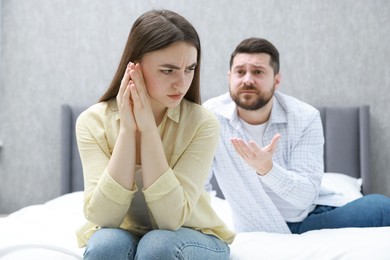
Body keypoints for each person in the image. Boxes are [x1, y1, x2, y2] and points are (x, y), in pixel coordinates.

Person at [75, 9, 235, 260]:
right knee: (105, 246)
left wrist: (148, 129)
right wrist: (128, 130)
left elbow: (170, 219)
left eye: (190, 69)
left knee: (157, 246)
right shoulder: (93, 122)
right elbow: (104, 218)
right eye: (168, 70)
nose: (182, 84)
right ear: (134, 68)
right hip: (125, 232)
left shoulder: (203, 123)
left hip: (191, 234)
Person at [203, 37, 390, 234]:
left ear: (276, 80)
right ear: (229, 77)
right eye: (240, 72)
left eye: (258, 72)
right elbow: (198, 185)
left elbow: (306, 196)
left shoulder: (304, 118)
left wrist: (267, 169)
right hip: (256, 225)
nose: (247, 79)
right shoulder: (210, 117)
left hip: (307, 217)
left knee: (380, 207)